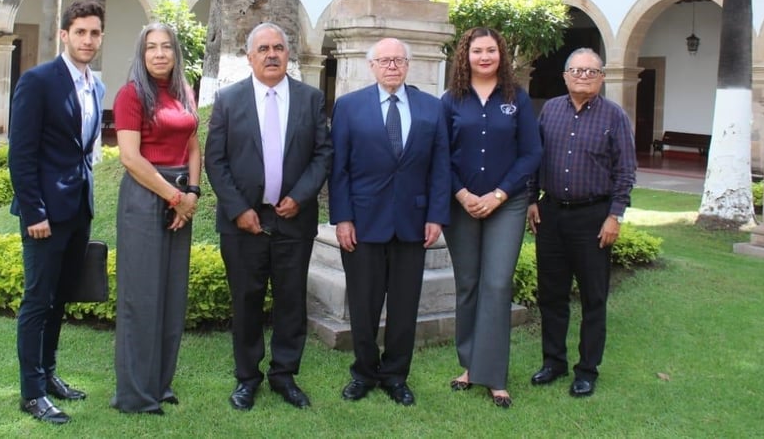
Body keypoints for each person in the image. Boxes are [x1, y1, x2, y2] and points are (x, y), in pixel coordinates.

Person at [204, 22, 332, 411]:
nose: (272, 54)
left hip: (294, 217)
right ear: (250, 57)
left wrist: (299, 196)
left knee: (291, 301)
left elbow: (322, 154)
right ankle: (247, 378)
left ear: (288, 54)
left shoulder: (310, 99)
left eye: (278, 47)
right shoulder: (228, 100)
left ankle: (284, 375)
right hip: (244, 223)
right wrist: (239, 209)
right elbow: (215, 159)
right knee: (246, 300)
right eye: (263, 49)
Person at [329, 37, 450, 407]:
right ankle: (364, 373)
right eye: (385, 60)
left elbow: (440, 167)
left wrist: (436, 216)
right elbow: (339, 169)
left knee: (404, 306)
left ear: (408, 65)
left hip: (413, 224)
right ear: (372, 66)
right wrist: (343, 218)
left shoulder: (432, 108)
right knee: (363, 306)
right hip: (363, 223)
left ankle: (396, 376)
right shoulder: (349, 107)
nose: (392, 66)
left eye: (399, 60)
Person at [8, 0, 106, 425]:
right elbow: (21, 154)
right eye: (80, 32)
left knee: (61, 298)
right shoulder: (38, 81)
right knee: (37, 301)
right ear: (64, 35)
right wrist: (34, 213)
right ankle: (31, 392)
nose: (87, 40)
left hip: (78, 210)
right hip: (44, 215)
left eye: (95, 33)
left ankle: (49, 375)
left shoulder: (95, 86)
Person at [440, 28, 542, 409]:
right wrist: (463, 194)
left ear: (501, 54)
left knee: (497, 285)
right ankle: (469, 367)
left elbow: (531, 153)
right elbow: (440, 155)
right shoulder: (451, 101)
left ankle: (495, 376)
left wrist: (499, 194)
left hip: (507, 204)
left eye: (492, 50)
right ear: (465, 56)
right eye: (477, 51)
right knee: (468, 284)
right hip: (461, 204)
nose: (485, 57)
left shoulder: (518, 99)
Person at [526, 48, 636, 399]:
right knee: (552, 295)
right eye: (577, 70)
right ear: (565, 75)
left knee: (593, 297)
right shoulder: (550, 111)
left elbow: (625, 171)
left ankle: (587, 369)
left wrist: (614, 215)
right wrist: (531, 200)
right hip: (552, 213)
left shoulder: (614, 116)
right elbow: (535, 159)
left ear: (602, 78)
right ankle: (553, 362)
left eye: (591, 71)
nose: (583, 76)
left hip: (594, 217)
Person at [111, 22, 201, 415]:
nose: (160, 54)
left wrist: (193, 193)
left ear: (175, 52)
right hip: (146, 197)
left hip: (180, 193)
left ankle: (160, 385)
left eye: (166, 46)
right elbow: (130, 158)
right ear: (142, 54)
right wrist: (175, 197)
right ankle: (135, 395)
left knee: (171, 295)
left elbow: (193, 144)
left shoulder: (185, 92)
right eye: (152, 48)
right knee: (142, 298)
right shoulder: (131, 95)